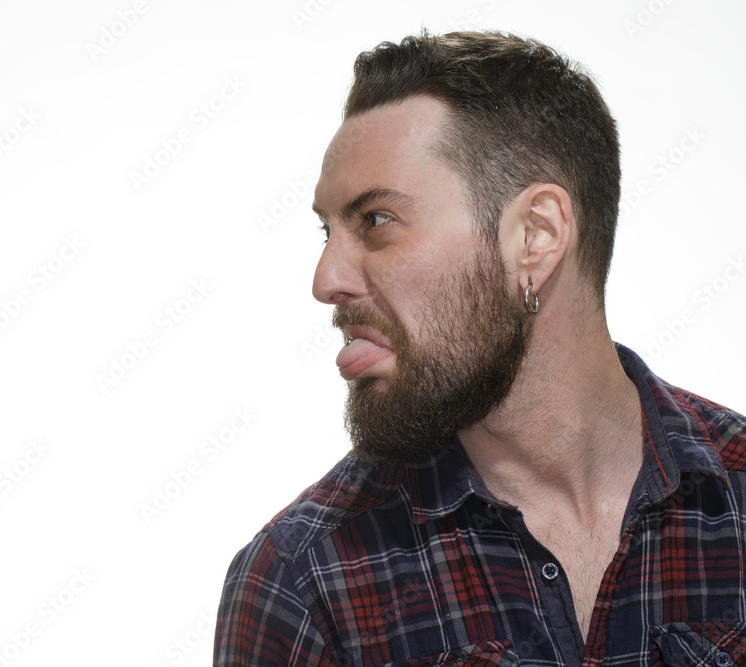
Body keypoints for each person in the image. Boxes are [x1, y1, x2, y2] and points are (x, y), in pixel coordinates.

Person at [214, 30, 746, 666]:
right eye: (326, 231)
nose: (326, 280)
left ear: (535, 236)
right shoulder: (300, 583)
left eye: (376, 220)